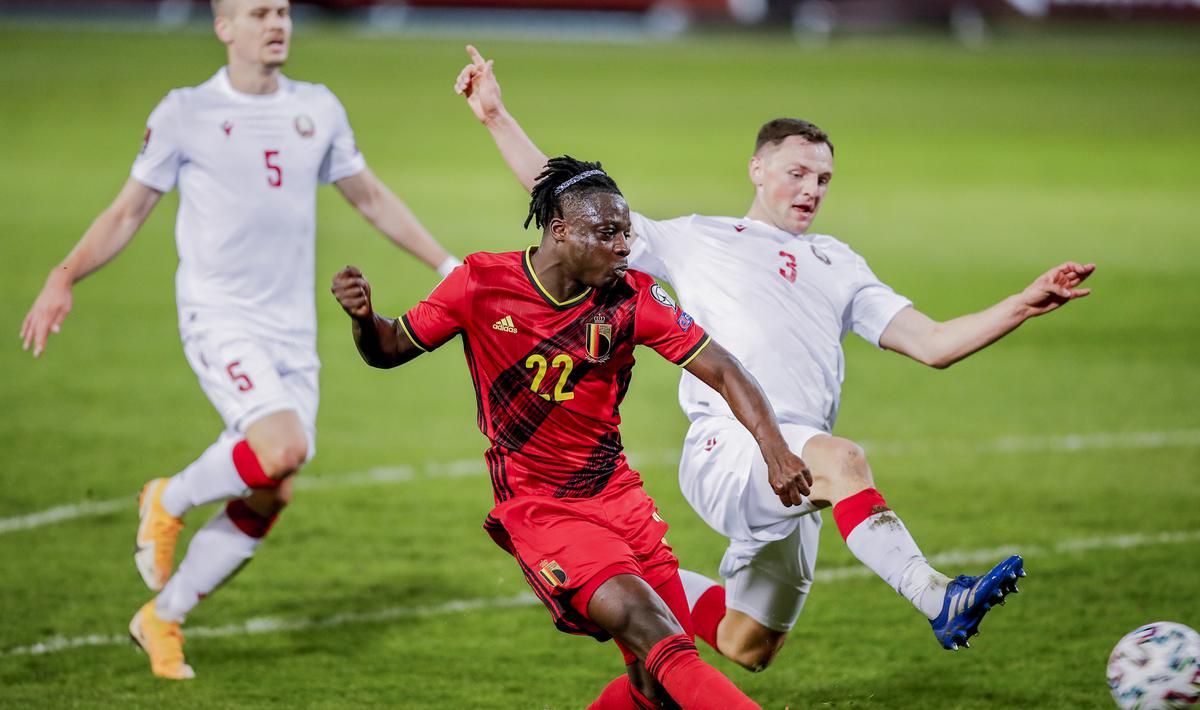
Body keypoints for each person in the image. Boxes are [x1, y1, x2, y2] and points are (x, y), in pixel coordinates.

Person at [455, 45, 1096, 671]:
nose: (811, 189)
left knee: (748, 644)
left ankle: (645, 584)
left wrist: (1023, 303)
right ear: (757, 169)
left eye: (822, 179)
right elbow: (571, 199)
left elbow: (932, 344)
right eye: (797, 173)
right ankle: (939, 597)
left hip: (798, 463)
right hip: (736, 447)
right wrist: (494, 116)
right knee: (845, 460)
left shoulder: (839, 262)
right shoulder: (697, 239)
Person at [18, 0, 460, 680]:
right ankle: (167, 498)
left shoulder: (317, 107)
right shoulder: (183, 112)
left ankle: (161, 618)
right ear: (225, 28)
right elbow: (128, 210)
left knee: (272, 488)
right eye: (258, 13)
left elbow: (369, 197)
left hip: (292, 331)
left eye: (282, 11)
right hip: (219, 313)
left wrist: (447, 268)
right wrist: (64, 273)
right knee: (283, 447)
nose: (276, 23)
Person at [332, 156, 813, 708]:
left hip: (619, 498)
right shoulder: (482, 283)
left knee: (657, 689)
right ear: (560, 232)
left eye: (626, 233)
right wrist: (366, 320)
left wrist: (774, 449)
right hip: (542, 507)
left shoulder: (633, 299)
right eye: (607, 233)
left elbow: (725, 368)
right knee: (655, 632)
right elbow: (390, 348)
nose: (624, 247)